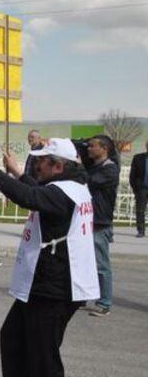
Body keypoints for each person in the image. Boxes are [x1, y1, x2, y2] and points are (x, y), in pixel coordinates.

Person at [0, 139, 99, 377]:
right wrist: (17, 172)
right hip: (43, 282)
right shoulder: (67, 186)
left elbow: (32, 198)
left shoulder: (65, 192)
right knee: (13, 337)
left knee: (43, 351)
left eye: (40, 161)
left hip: (57, 286)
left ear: (58, 165)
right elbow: (38, 192)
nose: (35, 165)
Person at [85, 135, 119, 317]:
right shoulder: (94, 167)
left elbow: (90, 182)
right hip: (88, 221)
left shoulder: (110, 169)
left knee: (101, 265)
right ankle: (84, 297)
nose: (88, 148)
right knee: (85, 262)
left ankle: (104, 302)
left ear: (104, 148)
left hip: (100, 222)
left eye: (92, 146)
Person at [129, 141, 147, 238]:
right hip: (142, 189)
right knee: (140, 210)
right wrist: (135, 188)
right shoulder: (138, 158)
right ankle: (141, 231)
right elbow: (132, 175)